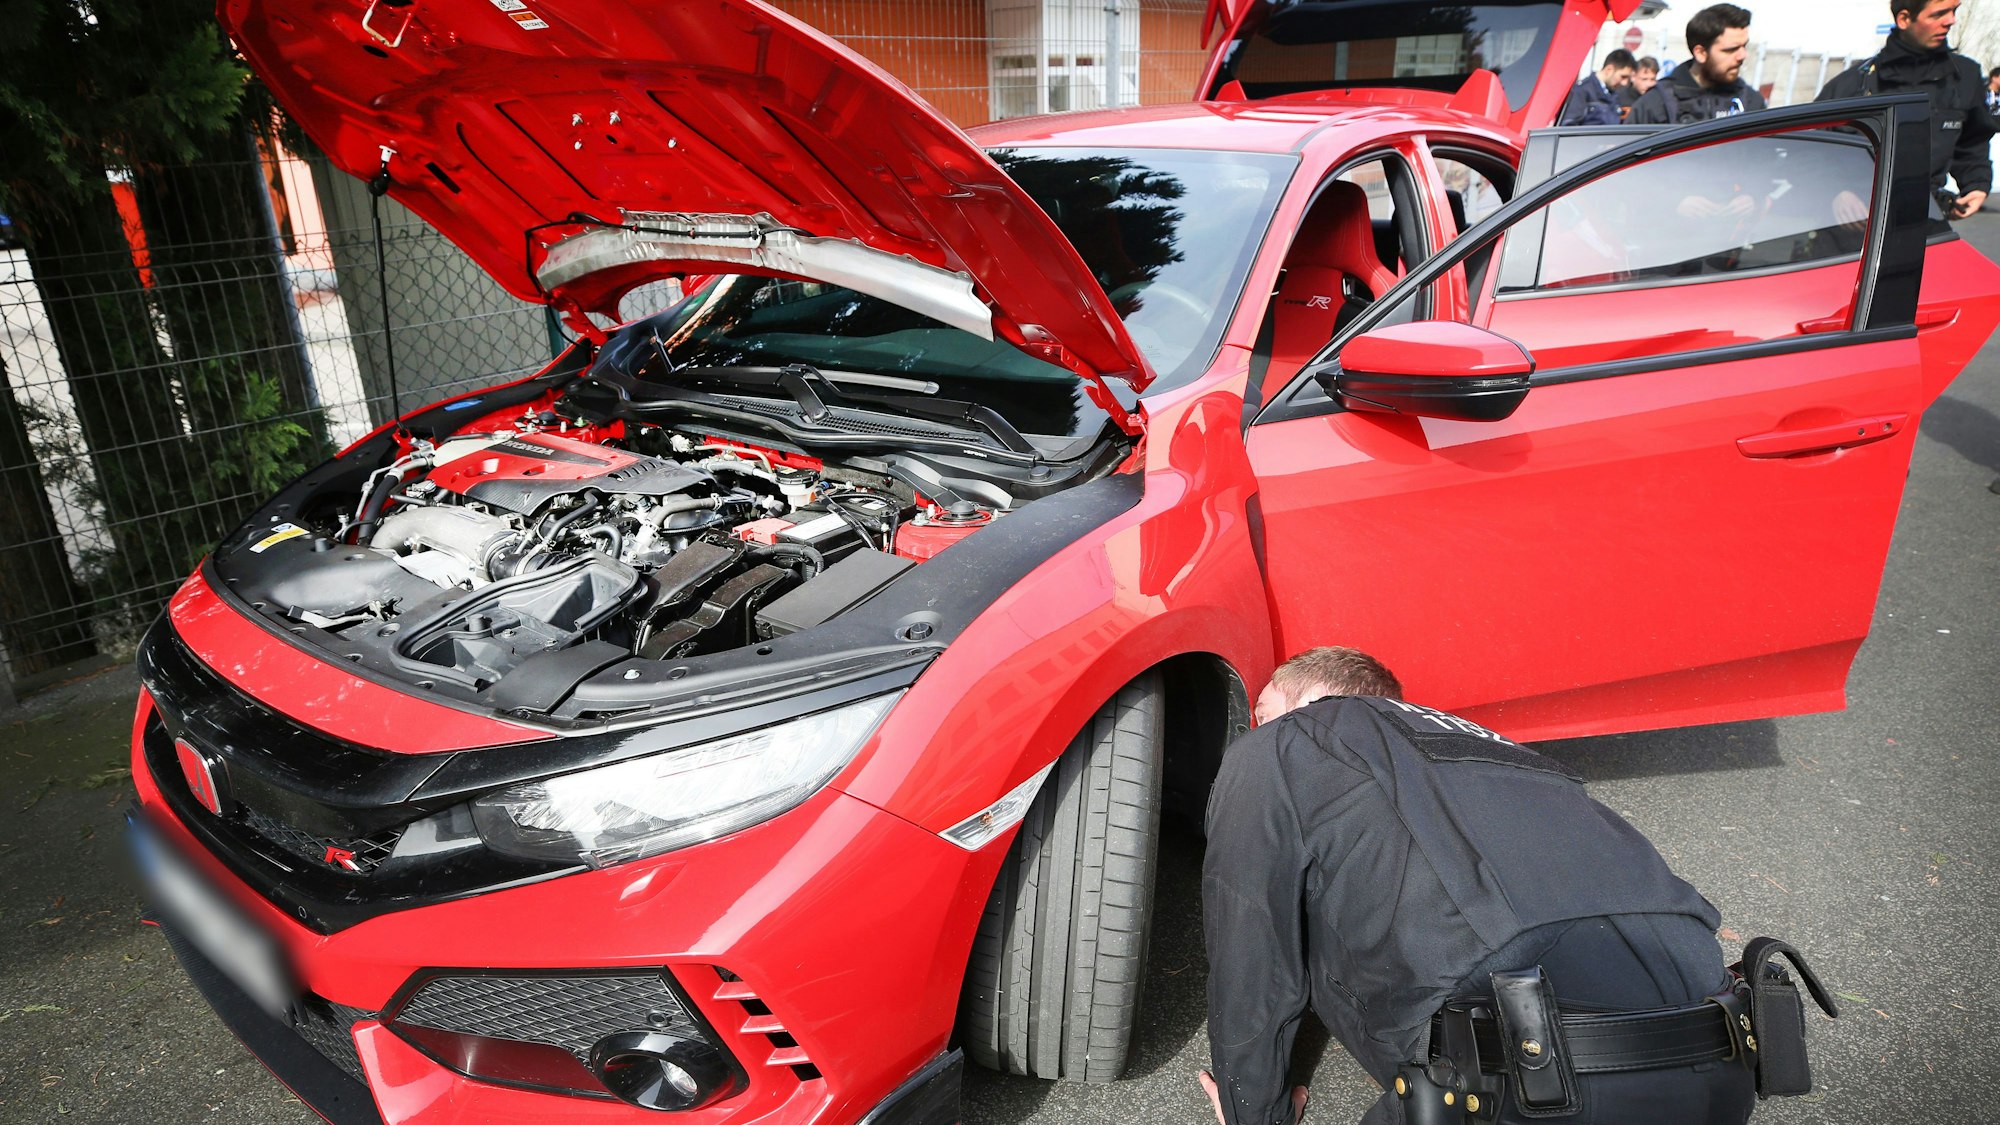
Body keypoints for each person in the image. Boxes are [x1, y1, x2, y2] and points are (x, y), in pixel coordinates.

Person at [1200, 646, 1836, 1125]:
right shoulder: (1502, 752)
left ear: (1297, 696)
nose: (1256, 730)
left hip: (1525, 1080)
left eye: (1260, 713)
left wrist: (1253, 1104)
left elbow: (1249, 930)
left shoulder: (1288, 741)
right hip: (1721, 1064)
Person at [1817, 0, 1993, 221]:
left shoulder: (1965, 77)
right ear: (1904, 19)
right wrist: (1836, 193)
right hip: (1852, 224)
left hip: (1924, 221)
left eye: (1954, 11)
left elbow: (1972, 143)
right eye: (1938, 14)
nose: (1951, 21)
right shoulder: (1853, 85)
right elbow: (1808, 150)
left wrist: (1976, 184)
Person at [1629, 5, 1767, 124]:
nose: (1742, 56)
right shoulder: (1656, 104)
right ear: (1701, 53)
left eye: (1744, 46)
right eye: (1731, 50)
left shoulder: (1750, 102)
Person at [1559, 49, 1636, 125]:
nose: (1625, 83)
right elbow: (1569, 128)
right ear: (1609, 70)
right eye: (1623, 77)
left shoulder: (1614, 95)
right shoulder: (1581, 92)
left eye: (1628, 79)